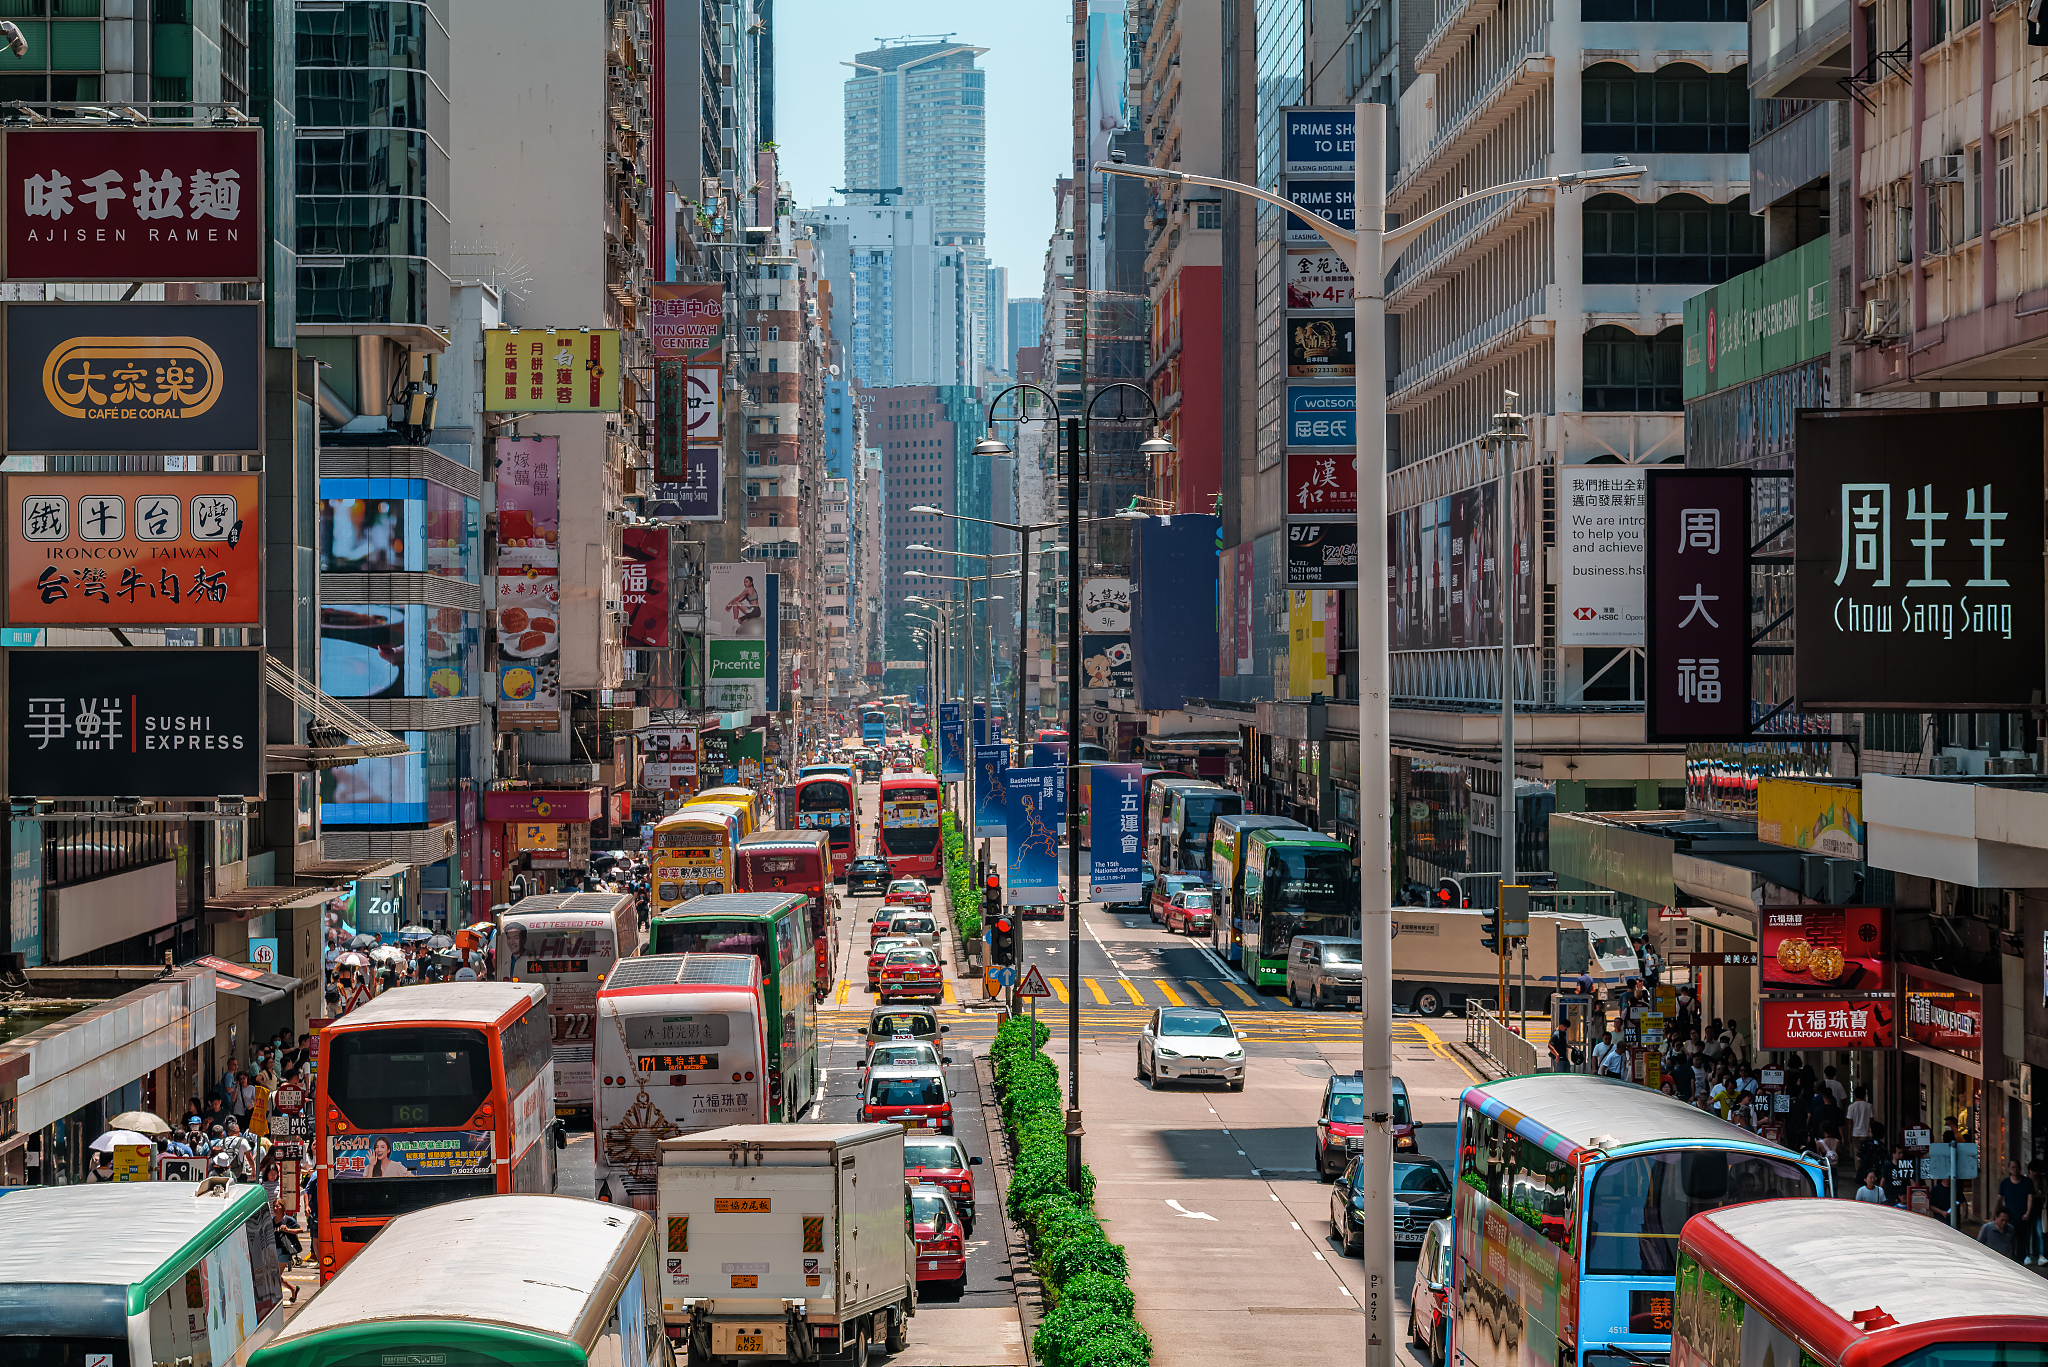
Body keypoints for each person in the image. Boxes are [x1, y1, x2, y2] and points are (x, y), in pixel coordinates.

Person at [1999, 1158, 2039, 1264]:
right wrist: (1996, 1214)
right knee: (2009, 1240)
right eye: (2013, 1167)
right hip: (2009, 1218)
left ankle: (2019, 1262)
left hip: (2023, 1217)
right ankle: (2009, 1261)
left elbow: (2030, 1197)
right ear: (2009, 1169)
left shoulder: (2027, 1182)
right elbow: (1999, 1199)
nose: (2015, 1169)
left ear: (2020, 1168)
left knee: (2022, 1241)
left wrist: (2028, 1212)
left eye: (2017, 1167)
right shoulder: (2005, 1183)